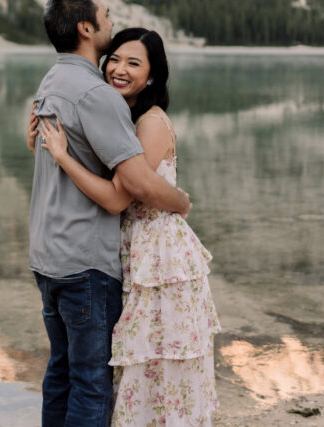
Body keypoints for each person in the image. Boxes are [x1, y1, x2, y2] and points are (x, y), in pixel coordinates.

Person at [31, 27, 220, 426]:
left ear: (151, 76)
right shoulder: (117, 115)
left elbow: (124, 194)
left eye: (133, 63)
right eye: (114, 59)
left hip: (158, 260)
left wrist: (64, 158)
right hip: (130, 251)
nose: (118, 68)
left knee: (152, 365)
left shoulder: (149, 123)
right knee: (127, 364)